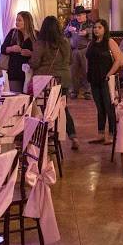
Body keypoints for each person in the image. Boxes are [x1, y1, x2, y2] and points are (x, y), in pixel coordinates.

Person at [30, 15, 78, 148]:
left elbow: (35, 62)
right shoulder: (65, 42)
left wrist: (29, 62)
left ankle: (48, 136)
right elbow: (70, 60)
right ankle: (73, 136)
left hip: (45, 80)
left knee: (44, 108)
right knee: (62, 108)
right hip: (64, 79)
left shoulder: (41, 43)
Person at [85, 19, 123, 144]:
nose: (96, 30)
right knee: (100, 107)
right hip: (94, 78)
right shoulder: (91, 43)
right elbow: (88, 59)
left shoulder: (109, 42)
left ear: (105, 29)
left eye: (99, 27)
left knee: (109, 107)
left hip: (106, 79)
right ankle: (101, 134)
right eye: (95, 27)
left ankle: (113, 135)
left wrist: (109, 74)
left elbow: (119, 59)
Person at [1, 11, 36, 93]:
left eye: (19, 20)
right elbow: (3, 49)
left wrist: (30, 53)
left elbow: (40, 53)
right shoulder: (13, 33)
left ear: (27, 21)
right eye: (16, 20)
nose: (16, 22)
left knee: (28, 97)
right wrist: (11, 49)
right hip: (14, 71)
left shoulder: (35, 35)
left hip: (30, 71)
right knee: (15, 96)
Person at [64, 6, 93, 99]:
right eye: (77, 15)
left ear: (85, 15)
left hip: (85, 50)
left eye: (80, 15)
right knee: (73, 72)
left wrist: (87, 32)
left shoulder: (90, 23)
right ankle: (74, 91)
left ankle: (88, 91)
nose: (78, 17)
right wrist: (68, 30)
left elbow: (94, 33)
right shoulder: (72, 23)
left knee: (86, 71)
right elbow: (65, 34)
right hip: (74, 50)